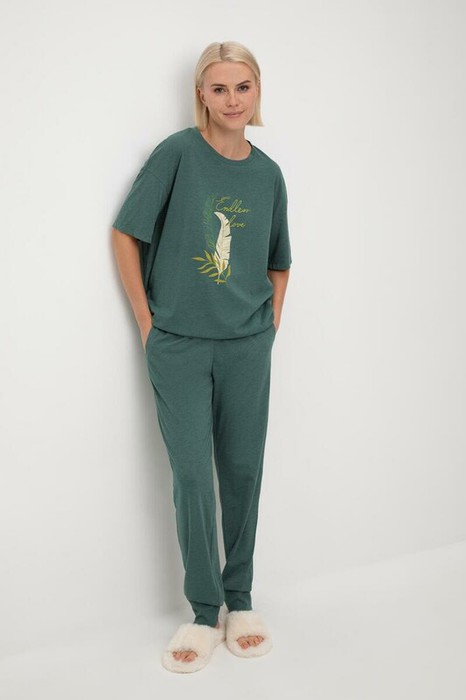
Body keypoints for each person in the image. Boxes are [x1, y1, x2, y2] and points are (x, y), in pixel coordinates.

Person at [111, 40, 292, 673]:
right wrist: (146, 321)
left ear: (256, 91)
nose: (232, 100)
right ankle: (203, 609)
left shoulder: (268, 174)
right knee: (192, 475)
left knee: (242, 471)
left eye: (243, 87)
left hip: (247, 345)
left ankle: (240, 601)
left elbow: (278, 260)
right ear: (202, 95)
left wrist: (268, 327)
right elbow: (126, 233)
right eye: (219, 88)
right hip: (179, 345)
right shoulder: (177, 154)